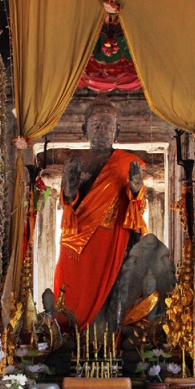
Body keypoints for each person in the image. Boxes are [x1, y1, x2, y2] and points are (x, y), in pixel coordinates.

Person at [53, 99, 147, 328]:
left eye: (107, 125)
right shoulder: (74, 162)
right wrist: (70, 191)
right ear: (84, 130)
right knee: (74, 291)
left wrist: (136, 189)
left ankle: (111, 341)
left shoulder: (127, 163)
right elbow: (66, 204)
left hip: (113, 237)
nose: (102, 130)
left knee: (114, 293)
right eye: (96, 125)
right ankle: (71, 337)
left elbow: (138, 207)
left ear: (117, 130)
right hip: (78, 240)